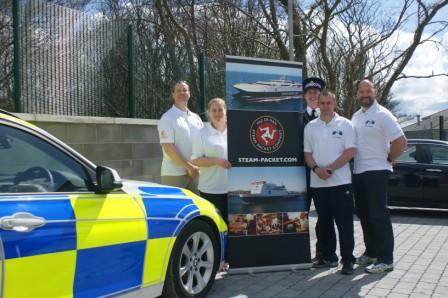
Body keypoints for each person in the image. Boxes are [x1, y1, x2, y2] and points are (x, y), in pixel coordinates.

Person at [352, 79, 407, 274]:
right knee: (364, 214)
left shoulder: (383, 115)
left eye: (368, 90)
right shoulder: (356, 116)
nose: (365, 94)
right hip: (358, 171)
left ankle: (386, 259)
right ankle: (372, 253)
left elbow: (401, 141)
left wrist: (389, 157)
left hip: (376, 171)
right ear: (357, 94)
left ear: (374, 92)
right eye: (361, 91)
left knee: (378, 215)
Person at [304, 90, 356, 274]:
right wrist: (316, 169)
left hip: (341, 183)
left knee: (344, 223)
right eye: (322, 103)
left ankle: (348, 260)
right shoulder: (310, 127)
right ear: (318, 104)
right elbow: (307, 154)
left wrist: (331, 169)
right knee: (324, 223)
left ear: (335, 103)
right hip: (318, 183)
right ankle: (328, 257)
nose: (325, 107)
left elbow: (350, 152)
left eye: (329, 103)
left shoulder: (346, 124)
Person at [302, 77, 336, 264]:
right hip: (302, 175)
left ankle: (326, 255)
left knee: (325, 217)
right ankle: (300, 254)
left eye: (316, 92)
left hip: (325, 174)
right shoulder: (297, 117)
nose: (313, 95)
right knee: (300, 217)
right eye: (309, 93)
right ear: (305, 96)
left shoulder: (332, 117)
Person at [158, 81, 203, 193]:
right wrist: (189, 167)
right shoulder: (167, 118)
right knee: (173, 209)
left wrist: (197, 167)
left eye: (185, 90)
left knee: (197, 209)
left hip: (196, 173)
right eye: (178, 90)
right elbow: (168, 147)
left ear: (189, 94)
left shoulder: (196, 118)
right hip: (174, 175)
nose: (182, 93)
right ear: (173, 95)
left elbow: (202, 144)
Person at [191, 97, 231, 220]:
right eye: (214, 110)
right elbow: (195, 160)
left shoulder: (236, 131)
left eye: (220, 109)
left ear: (225, 110)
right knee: (216, 226)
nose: (217, 113)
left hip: (233, 190)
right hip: (211, 189)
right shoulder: (201, 133)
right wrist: (217, 161)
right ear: (209, 112)